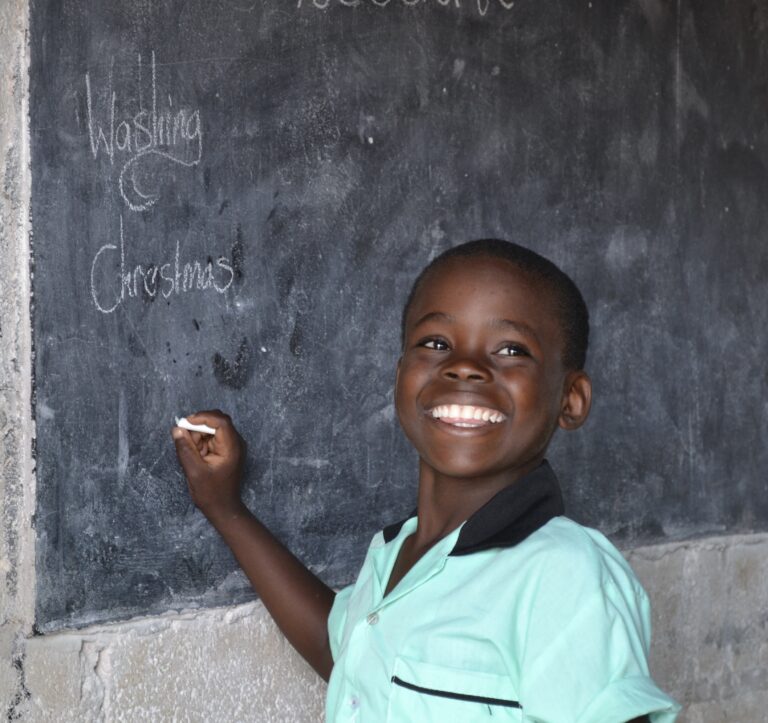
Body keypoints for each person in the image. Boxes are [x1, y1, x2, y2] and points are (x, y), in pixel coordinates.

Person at [172, 239, 680, 722]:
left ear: (570, 399)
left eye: (510, 350)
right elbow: (351, 657)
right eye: (436, 343)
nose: (464, 366)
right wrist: (225, 508)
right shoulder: (395, 553)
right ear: (400, 378)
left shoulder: (565, 576)